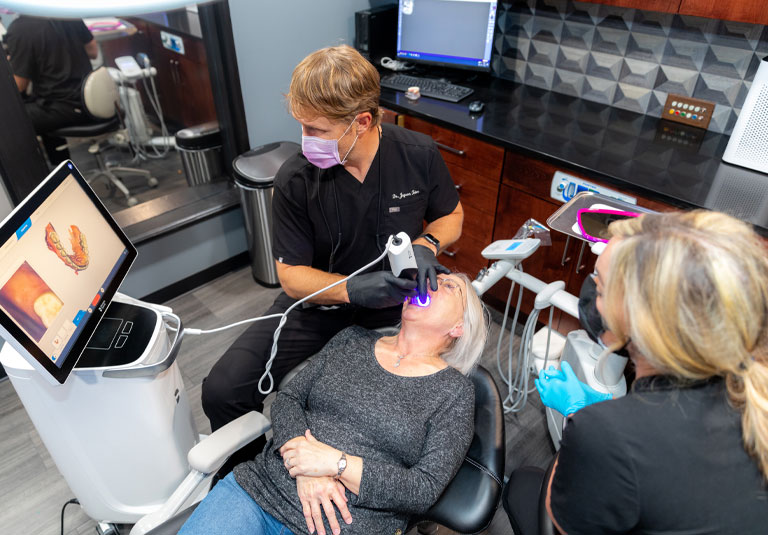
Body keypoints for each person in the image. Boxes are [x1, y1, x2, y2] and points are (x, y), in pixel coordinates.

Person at [201, 45, 464, 465]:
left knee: (398, 414)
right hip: (319, 305)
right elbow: (291, 277)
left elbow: (451, 214)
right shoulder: (297, 178)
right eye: (302, 127)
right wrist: (353, 289)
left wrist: (426, 245)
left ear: (362, 122)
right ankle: (252, 478)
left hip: (398, 309)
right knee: (223, 389)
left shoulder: (417, 155)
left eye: (317, 129)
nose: (306, 141)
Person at [503, 210, 768, 534]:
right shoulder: (752, 391)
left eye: (599, 286)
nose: (590, 292)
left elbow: (560, 520)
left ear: (636, 318)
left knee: (524, 487)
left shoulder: (606, 434)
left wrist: (580, 419)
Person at [180, 273, 487, 535]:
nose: (430, 283)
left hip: (347, 524)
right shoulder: (351, 339)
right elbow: (289, 399)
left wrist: (335, 463)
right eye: (431, 278)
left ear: (458, 327)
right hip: (261, 492)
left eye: (448, 286)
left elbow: (423, 488)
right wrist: (307, 469)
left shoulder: (454, 392)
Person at [5, 16, 98, 165]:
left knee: (11, 120)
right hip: (91, 99)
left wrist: (18, 62)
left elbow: (20, 85)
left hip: (67, 106)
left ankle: (38, 179)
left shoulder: (20, 28)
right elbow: (93, 51)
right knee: (38, 102)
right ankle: (61, 169)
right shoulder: (64, 13)